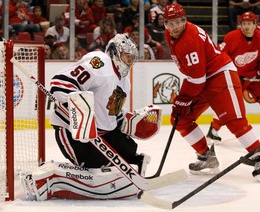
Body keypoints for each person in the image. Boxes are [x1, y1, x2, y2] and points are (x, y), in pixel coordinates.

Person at [20, 34, 162, 200]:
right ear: (115, 52)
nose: (129, 61)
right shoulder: (100, 62)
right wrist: (78, 109)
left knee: (131, 154)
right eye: (126, 56)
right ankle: (48, 176)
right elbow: (61, 83)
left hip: (100, 133)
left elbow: (111, 115)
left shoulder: (124, 82)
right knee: (96, 164)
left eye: (132, 58)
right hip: (73, 130)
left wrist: (129, 122)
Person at [163, 3, 260, 181]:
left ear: (185, 20)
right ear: (165, 24)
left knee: (234, 121)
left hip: (219, 75)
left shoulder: (189, 40)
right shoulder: (170, 34)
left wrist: (183, 99)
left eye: (177, 22)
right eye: (169, 23)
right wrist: (182, 100)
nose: (173, 28)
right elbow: (196, 77)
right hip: (202, 78)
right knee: (179, 119)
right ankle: (207, 157)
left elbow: (197, 79)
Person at [207, 12, 260, 144]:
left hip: (253, 76)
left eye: (249, 24)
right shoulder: (232, 37)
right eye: (244, 23)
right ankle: (213, 130)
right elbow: (219, 56)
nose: (246, 27)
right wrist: (230, 74)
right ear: (240, 24)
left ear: (255, 24)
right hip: (234, 77)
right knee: (229, 106)